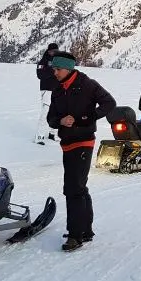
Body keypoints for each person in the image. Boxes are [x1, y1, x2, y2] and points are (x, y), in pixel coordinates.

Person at [46, 51, 117, 251]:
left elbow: (109, 103)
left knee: (73, 188)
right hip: (67, 142)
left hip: (84, 141)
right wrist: (60, 121)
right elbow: (51, 118)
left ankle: (76, 236)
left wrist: (88, 117)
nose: (55, 73)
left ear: (68, 69)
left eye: (57, 69)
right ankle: (85, 230)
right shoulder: (58, 90)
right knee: (79, 186)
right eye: (54, 69)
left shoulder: (87, 84)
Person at [34, 42, 60, 145]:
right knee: (46, 112)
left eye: (56, 51)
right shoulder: (43, 61)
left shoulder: (58, 61)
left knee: (57, 112)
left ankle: (53, 133)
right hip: (47, 89)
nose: (54, 53)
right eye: (52, 51)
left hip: (57, 90)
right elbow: (40, 75)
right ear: (48, 51)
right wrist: (52, 70)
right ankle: (39, 136)